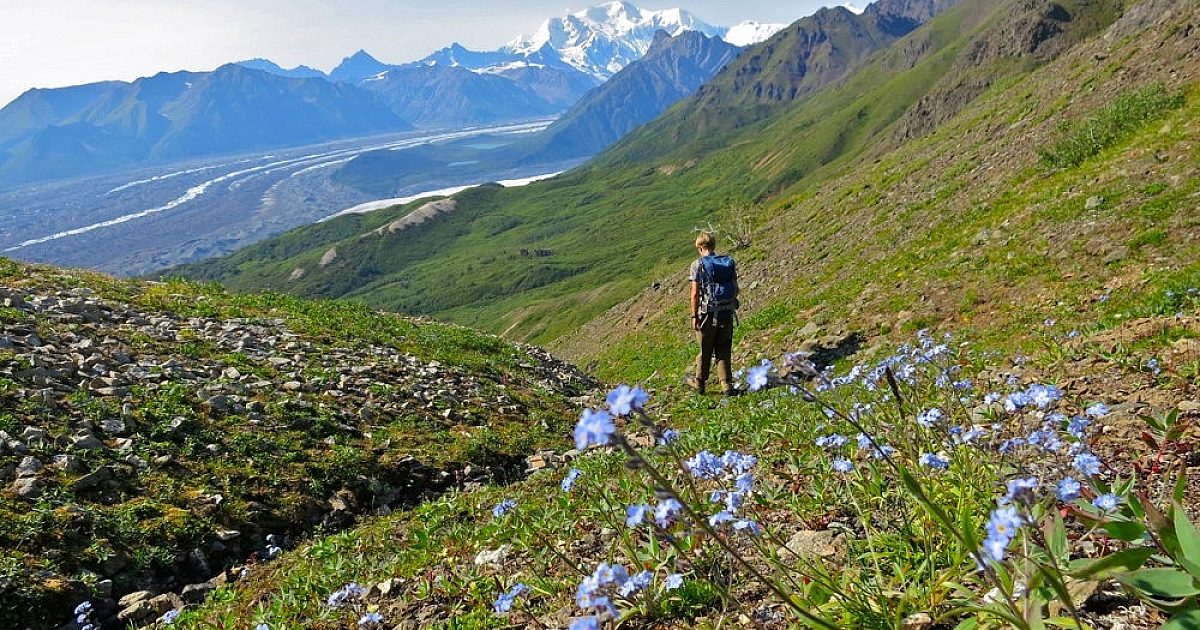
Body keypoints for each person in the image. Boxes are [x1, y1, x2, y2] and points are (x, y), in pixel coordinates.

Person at [688, 232, 738, 396]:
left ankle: (699, 383)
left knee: (705, 349)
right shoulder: (726, 263)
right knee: (723, 348)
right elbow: (735, 288)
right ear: (713, 246)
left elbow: (695, 293)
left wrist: (694, 316)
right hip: (726, 312)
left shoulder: (698, 264)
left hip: (707, 314)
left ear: (701, 247)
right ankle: (726, 385)